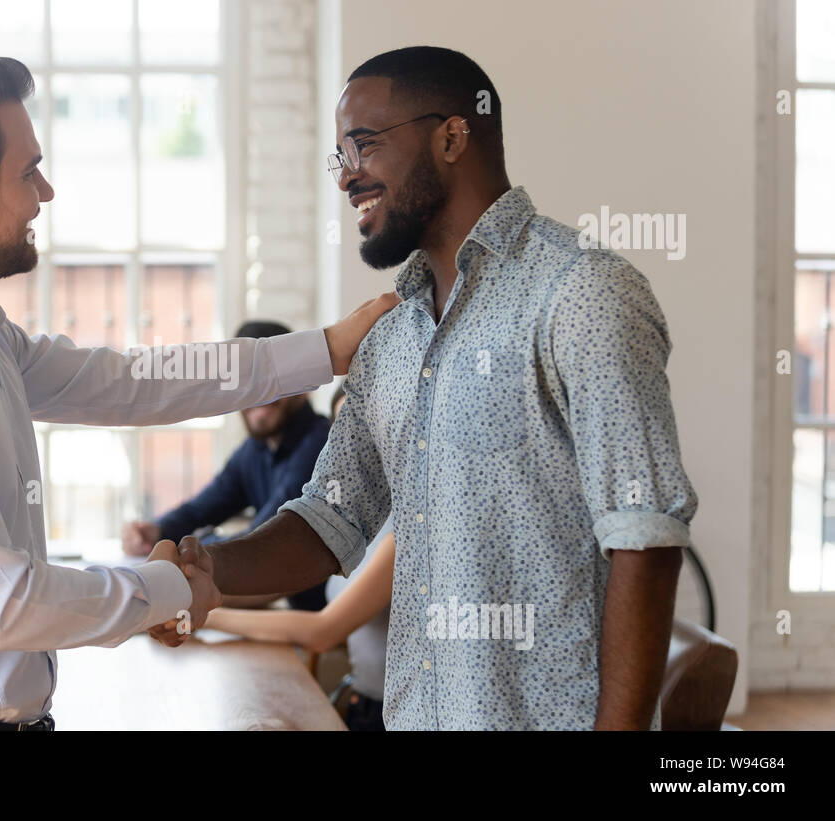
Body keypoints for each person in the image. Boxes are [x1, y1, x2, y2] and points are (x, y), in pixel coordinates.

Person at [0, 56, 397, 731]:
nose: (44, 193)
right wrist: (170, 590)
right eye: (28, 172)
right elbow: (5, 604)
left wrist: (324, 349)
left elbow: (134, 382)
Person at [151, 46, 698, 732]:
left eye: (365, 145)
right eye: (340, 155)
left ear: (451, 135)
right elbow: (328, 521)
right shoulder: (390, 335)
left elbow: (645, 536)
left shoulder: (581, 292)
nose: (347, 175)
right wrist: (198, 571)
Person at [205, 386, 391, 730]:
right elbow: (273, 577)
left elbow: (324, 630)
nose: (356, 449)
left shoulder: (407, 527)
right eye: (345, 433)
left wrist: (202, 617)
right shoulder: (353, 524)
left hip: (393, 717)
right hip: (362, 703)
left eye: (368, 429)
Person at [123, 320, 331, 611]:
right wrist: (154, 532)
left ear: (303, 383)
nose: (260, 391)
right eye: (247, 380)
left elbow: (260, 542)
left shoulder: (322, 443)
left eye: (273, 378)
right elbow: (200, 509)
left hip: (320, 632)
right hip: (283, 617)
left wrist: (192, 554)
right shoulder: (254, 452)